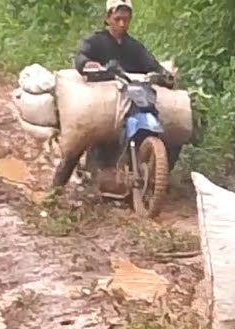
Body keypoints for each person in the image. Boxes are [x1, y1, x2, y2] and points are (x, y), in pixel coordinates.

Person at [51, 0, 176, 189]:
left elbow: (151, 63)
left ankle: (152, 180)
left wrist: (163, 74)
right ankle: (55, 191)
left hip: (131, 95)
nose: (122, 24)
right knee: (80, 139)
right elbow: (81, 56)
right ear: (107, 18)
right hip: (101, 98)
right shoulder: (95, 41)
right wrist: (89, 65)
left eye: (126, 20)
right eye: (117, 19)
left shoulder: (134, 47)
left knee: (171, 136)